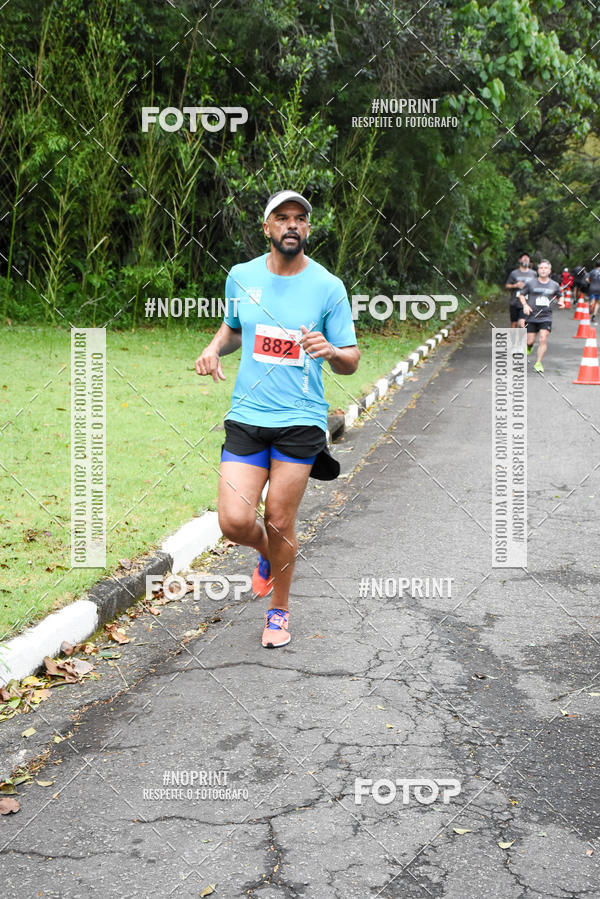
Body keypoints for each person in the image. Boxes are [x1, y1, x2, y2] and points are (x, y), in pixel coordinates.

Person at [195, 190, 359, 648]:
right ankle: (270, 556)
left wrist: (332, 351)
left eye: (299, 219)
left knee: (280, 520)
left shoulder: (328, 286)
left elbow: (351, 358)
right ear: (266, 227)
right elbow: (233, 327)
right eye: (282, 218)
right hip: (248, 413)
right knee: (233, 520)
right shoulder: (242, 276)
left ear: (308, 229)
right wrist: (212, 348)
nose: (291, 225)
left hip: (301, 419)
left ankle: (279, 612)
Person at [518, 259, 565, 373]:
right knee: (530, 341)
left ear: (549, 271)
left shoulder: (554, 285)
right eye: (541, 268)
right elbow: (521, 294)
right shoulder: (531, 283)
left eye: (545, 268)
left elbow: (560, 295)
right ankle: (529, 346)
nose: (543, 270)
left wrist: (562, 302)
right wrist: (525, 305)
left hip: (546, 317)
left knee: (543, 338)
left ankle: (538, 363)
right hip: (532, 316)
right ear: (538, 270)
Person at [504, 253, 536, 328]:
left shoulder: (533, 273)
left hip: (527, 303)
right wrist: (515, 285)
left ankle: (522, 339)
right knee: (514, 324)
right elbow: (507, 286)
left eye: (527, 259)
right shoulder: (514, 273)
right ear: (519, 260)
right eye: (524, 259)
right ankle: (513, 339)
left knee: (522, 323)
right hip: (514, 302)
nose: (526, 260)